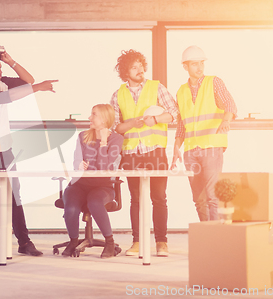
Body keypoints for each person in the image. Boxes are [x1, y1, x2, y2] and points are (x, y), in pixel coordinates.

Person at [0, 45, 58, 257]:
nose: (0, 70)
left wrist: (11, 61)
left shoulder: (2, 84)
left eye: (0, 66)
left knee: (13, 197)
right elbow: (6, 98)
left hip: (5, 151)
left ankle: (24, 242)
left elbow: (28, 80)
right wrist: (38, 88)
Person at [109, 49, 178, 257]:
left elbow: (174, 113)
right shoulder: (117, 95)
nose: (139, 70)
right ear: (125, 71)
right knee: (136, 199)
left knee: (159, 197)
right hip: (131, 153)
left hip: (155, 151)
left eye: (141, 65)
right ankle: (138, 242)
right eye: (134, 67)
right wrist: (130, 123)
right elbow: (115, 128)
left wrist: (155, 120)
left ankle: (161, 242)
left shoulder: (157, 88)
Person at [170, 46, 238, 221]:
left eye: (201, 63)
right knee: (198, 200)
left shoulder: (214, 82)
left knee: (212, 197)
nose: (199, 68)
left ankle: (215, 237)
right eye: (194, 64)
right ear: (185, 67)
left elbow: (230, 105)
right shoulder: (181, 91)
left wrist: (226, 121)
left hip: (211, 147)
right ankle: (205, 234)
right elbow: (181, 124)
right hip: (191, 151)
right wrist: (176, 148)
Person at [62, 104, 124, 258]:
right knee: (70, 206)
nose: (90, 118)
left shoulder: (116, 139)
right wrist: (79, 165)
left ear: (104, 118)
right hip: (81, 184)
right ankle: (73, 241)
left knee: (95, 202)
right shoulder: (83, 136)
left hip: (103, 186)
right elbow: (76, 162)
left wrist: (103, 142)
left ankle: (109, 242)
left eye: (94, 114)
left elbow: (104, 167)